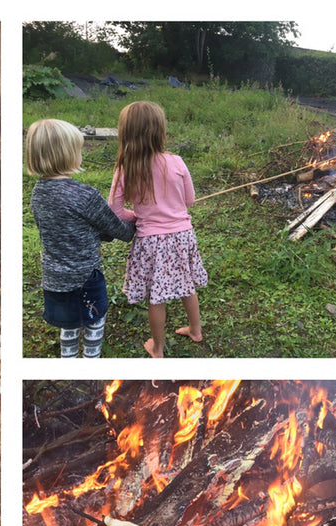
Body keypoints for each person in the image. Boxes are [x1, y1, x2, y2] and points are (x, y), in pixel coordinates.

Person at [25, 118, 136, 358]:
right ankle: (90, 361)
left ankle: (69, 361)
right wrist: (139, 219)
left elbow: (67, 226)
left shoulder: (37, 194)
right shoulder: (84, 195)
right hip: (85, 277)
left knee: (70, 323)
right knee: (94, 319)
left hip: (53, 277)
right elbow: (120, 231)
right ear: (68, 155)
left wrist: (97, 232)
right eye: (78, 150)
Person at [109, 101, 207, 357]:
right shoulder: (176, 161)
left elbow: (116, 210)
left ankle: (158, 347)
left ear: (126, 133)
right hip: (182, 236)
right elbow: (189, 201)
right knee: (187, 284)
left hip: (150, 241)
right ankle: (196, 330)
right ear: (159, 131)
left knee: (156, 295)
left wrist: (139, 215)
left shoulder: (125, 168)